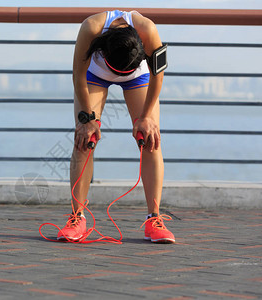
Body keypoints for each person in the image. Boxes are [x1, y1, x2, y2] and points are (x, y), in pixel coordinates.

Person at [57, 10, 175, 244]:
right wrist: (86, 119)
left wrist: (146, 117)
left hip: (139, 77)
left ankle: (154, 218)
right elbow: (78, 74)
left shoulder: (148, 29)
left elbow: (158, 75)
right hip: (95, 76)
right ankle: (77, 217)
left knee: (150, 138)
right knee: (84, 139)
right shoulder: (91, 28)